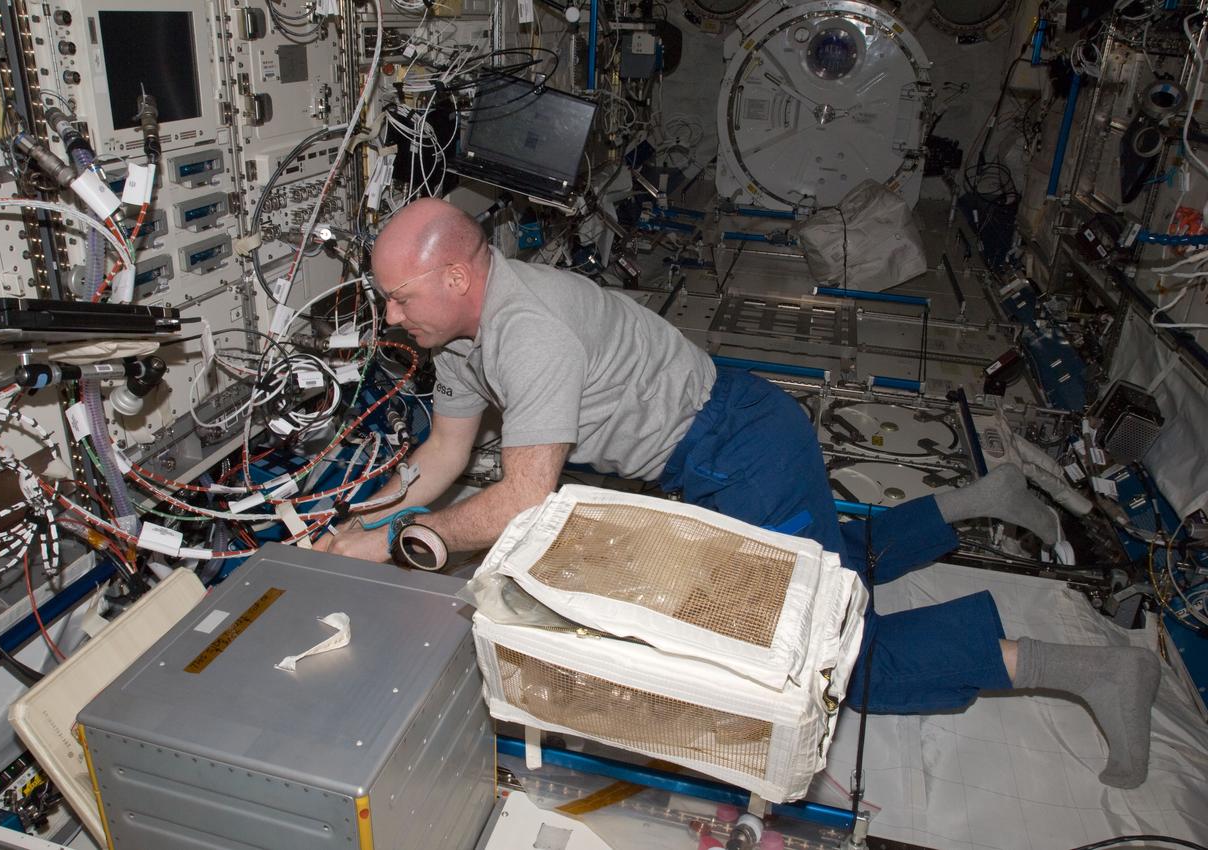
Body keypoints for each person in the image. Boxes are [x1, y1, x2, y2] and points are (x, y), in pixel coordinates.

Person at [314, 198, 1161, 789]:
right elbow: (446, 451)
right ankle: (986, 496)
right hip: (713, 450)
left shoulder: (527, 331)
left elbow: (527, 494)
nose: (389, 317)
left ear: (458, 278)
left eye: (398, 297)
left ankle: (1097, 671)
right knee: (811, 569)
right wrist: (363, 523)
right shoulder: (462, 341)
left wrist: (408, 541)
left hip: (743, 446)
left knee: (828, 659)